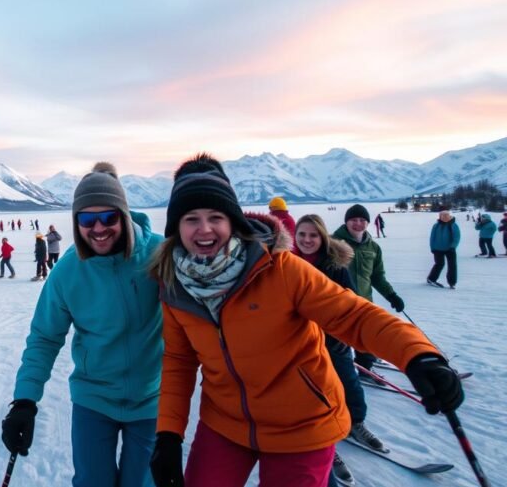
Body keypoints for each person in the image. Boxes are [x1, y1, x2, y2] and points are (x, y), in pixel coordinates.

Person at [146, 154, 463, 487]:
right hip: (225, 423)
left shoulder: (280, 269)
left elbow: (353, 314)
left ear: (233, 222)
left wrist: (417, 354)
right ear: (176, 229)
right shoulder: (175, 286)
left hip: (303, 424)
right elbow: (179, 362)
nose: (205, 229)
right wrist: (168, 434)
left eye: (216, 216)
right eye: (191, 219)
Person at [3, 162, 164, 487]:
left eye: (108, 217)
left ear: (123, 215)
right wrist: (24, 401)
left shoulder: (159, 255)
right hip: (94, 401)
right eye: (88, 220)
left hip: (151, 400)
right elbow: (45, 338)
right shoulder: (68, 272)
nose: (99, 228)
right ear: (77, 223)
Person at [292, 214, 383, 485]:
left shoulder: (335, 267)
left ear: (322, 237)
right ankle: (329, 445)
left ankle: (356, 423)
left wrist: (348, 334)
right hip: (302, 345)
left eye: (313, 235)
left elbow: (351, 303)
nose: (307, 240)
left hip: (333, 341)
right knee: (315, 396)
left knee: (348, 384)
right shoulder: (287, 264)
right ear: (294, 237)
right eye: (302, 235)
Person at [331, 204, 406, 371]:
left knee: (365, 337)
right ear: (346, 222)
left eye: (362, 220)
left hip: (363, 301)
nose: (358, 223)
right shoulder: (332, 243)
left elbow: (377, 277)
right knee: (337, 340)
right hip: (337, 302)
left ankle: (365, 365)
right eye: (353, 220)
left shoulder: (373, 247)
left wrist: (391, 295)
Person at [427, 211, 460, 289]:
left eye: (446, 216)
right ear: (440, 217)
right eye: (443, 216)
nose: (444, 218)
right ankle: (431, 279)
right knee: (439, 264)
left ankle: (452, 282)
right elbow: (432, 237)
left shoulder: (453, 225)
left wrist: (453, 246)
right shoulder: (436, 225)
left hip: (450, 249)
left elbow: (457, 237)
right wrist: (432, 248)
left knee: (452, 265)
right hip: (438, 249)